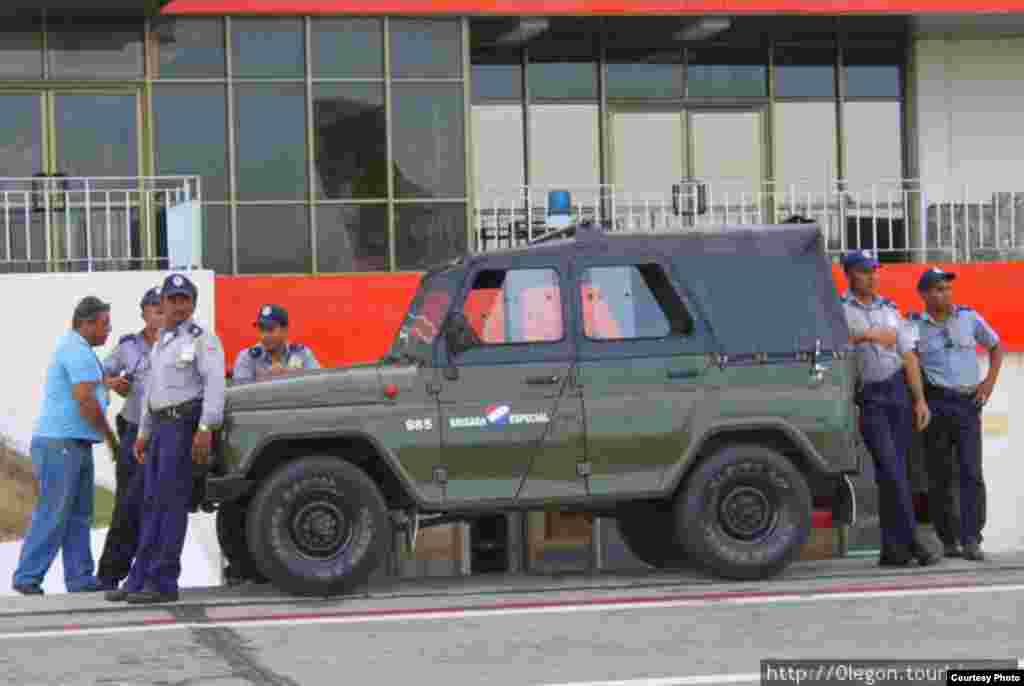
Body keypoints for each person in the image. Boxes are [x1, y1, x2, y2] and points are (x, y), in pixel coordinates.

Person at [105, 273, 225, 604]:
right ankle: (138, 578)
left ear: (193, 303)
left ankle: (163, 582)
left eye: (184, 299)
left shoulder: (202, 339)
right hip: (159, 427)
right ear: (163, 304)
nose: (178, 306)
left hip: (183, 426)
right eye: (172, 300)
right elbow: (151, 393)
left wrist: (205, 429)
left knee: (170, 505)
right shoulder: (162, 341)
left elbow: (215, 385)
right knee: (150, 503)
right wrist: (143, 434)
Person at [840, 250, 939, 568]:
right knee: (891, 471)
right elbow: (835, 344)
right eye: (865, 271)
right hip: (869, 397)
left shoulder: (890, 309)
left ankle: (893, 551)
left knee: (898, 476)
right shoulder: (839, 310)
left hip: (897, 391)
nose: (872, 277)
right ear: (849, 274)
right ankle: (912, 542)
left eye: (874, 271)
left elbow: (908, 355)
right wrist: (867, 335)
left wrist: (920, 399)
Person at [12, 296, 117, 595]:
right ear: (86, 323)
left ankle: (80, 578)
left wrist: (108, 385)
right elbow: (85, 399)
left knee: (78, 514)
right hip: (61, 443)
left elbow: (90, 388)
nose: (108, 330)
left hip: (76, 442)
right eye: (103, 324)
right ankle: (27, 577)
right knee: (54, 511)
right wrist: (111, 439)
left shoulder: (79, 349)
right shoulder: (75, 349)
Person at [910, 267, 1003, 561]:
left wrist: (988, 383)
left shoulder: (969, 317)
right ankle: (948, 539)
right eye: (937, 289)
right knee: (939, 474)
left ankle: (972, 538)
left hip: (967, 403)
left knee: (971, 472)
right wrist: (919, 400)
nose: (944, 294)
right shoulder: (914, 326)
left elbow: (996, 345)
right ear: (924, 294)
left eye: (947, 288)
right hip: (936, 403)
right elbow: (907, 360)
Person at [95, 287, 165, 591]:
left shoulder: (182, 344)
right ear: (144, 313)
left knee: (160, 504)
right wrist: (114, 382)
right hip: (135, 430)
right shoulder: (128, 346)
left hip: (167, 432)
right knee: (127, 504)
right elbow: (98, 373)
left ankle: (148, 572)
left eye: (164, 309)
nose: (160, 315)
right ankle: (110, 574)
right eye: (154, 309)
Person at [231, 304, 320, 382]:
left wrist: (292, 378)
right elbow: (241, 397)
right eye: (261, 329)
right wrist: (264, 380)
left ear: (285, 330)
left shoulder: (302, 353)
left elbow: (318, 385)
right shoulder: (247, 358)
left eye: (270, 329)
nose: (264, 336)